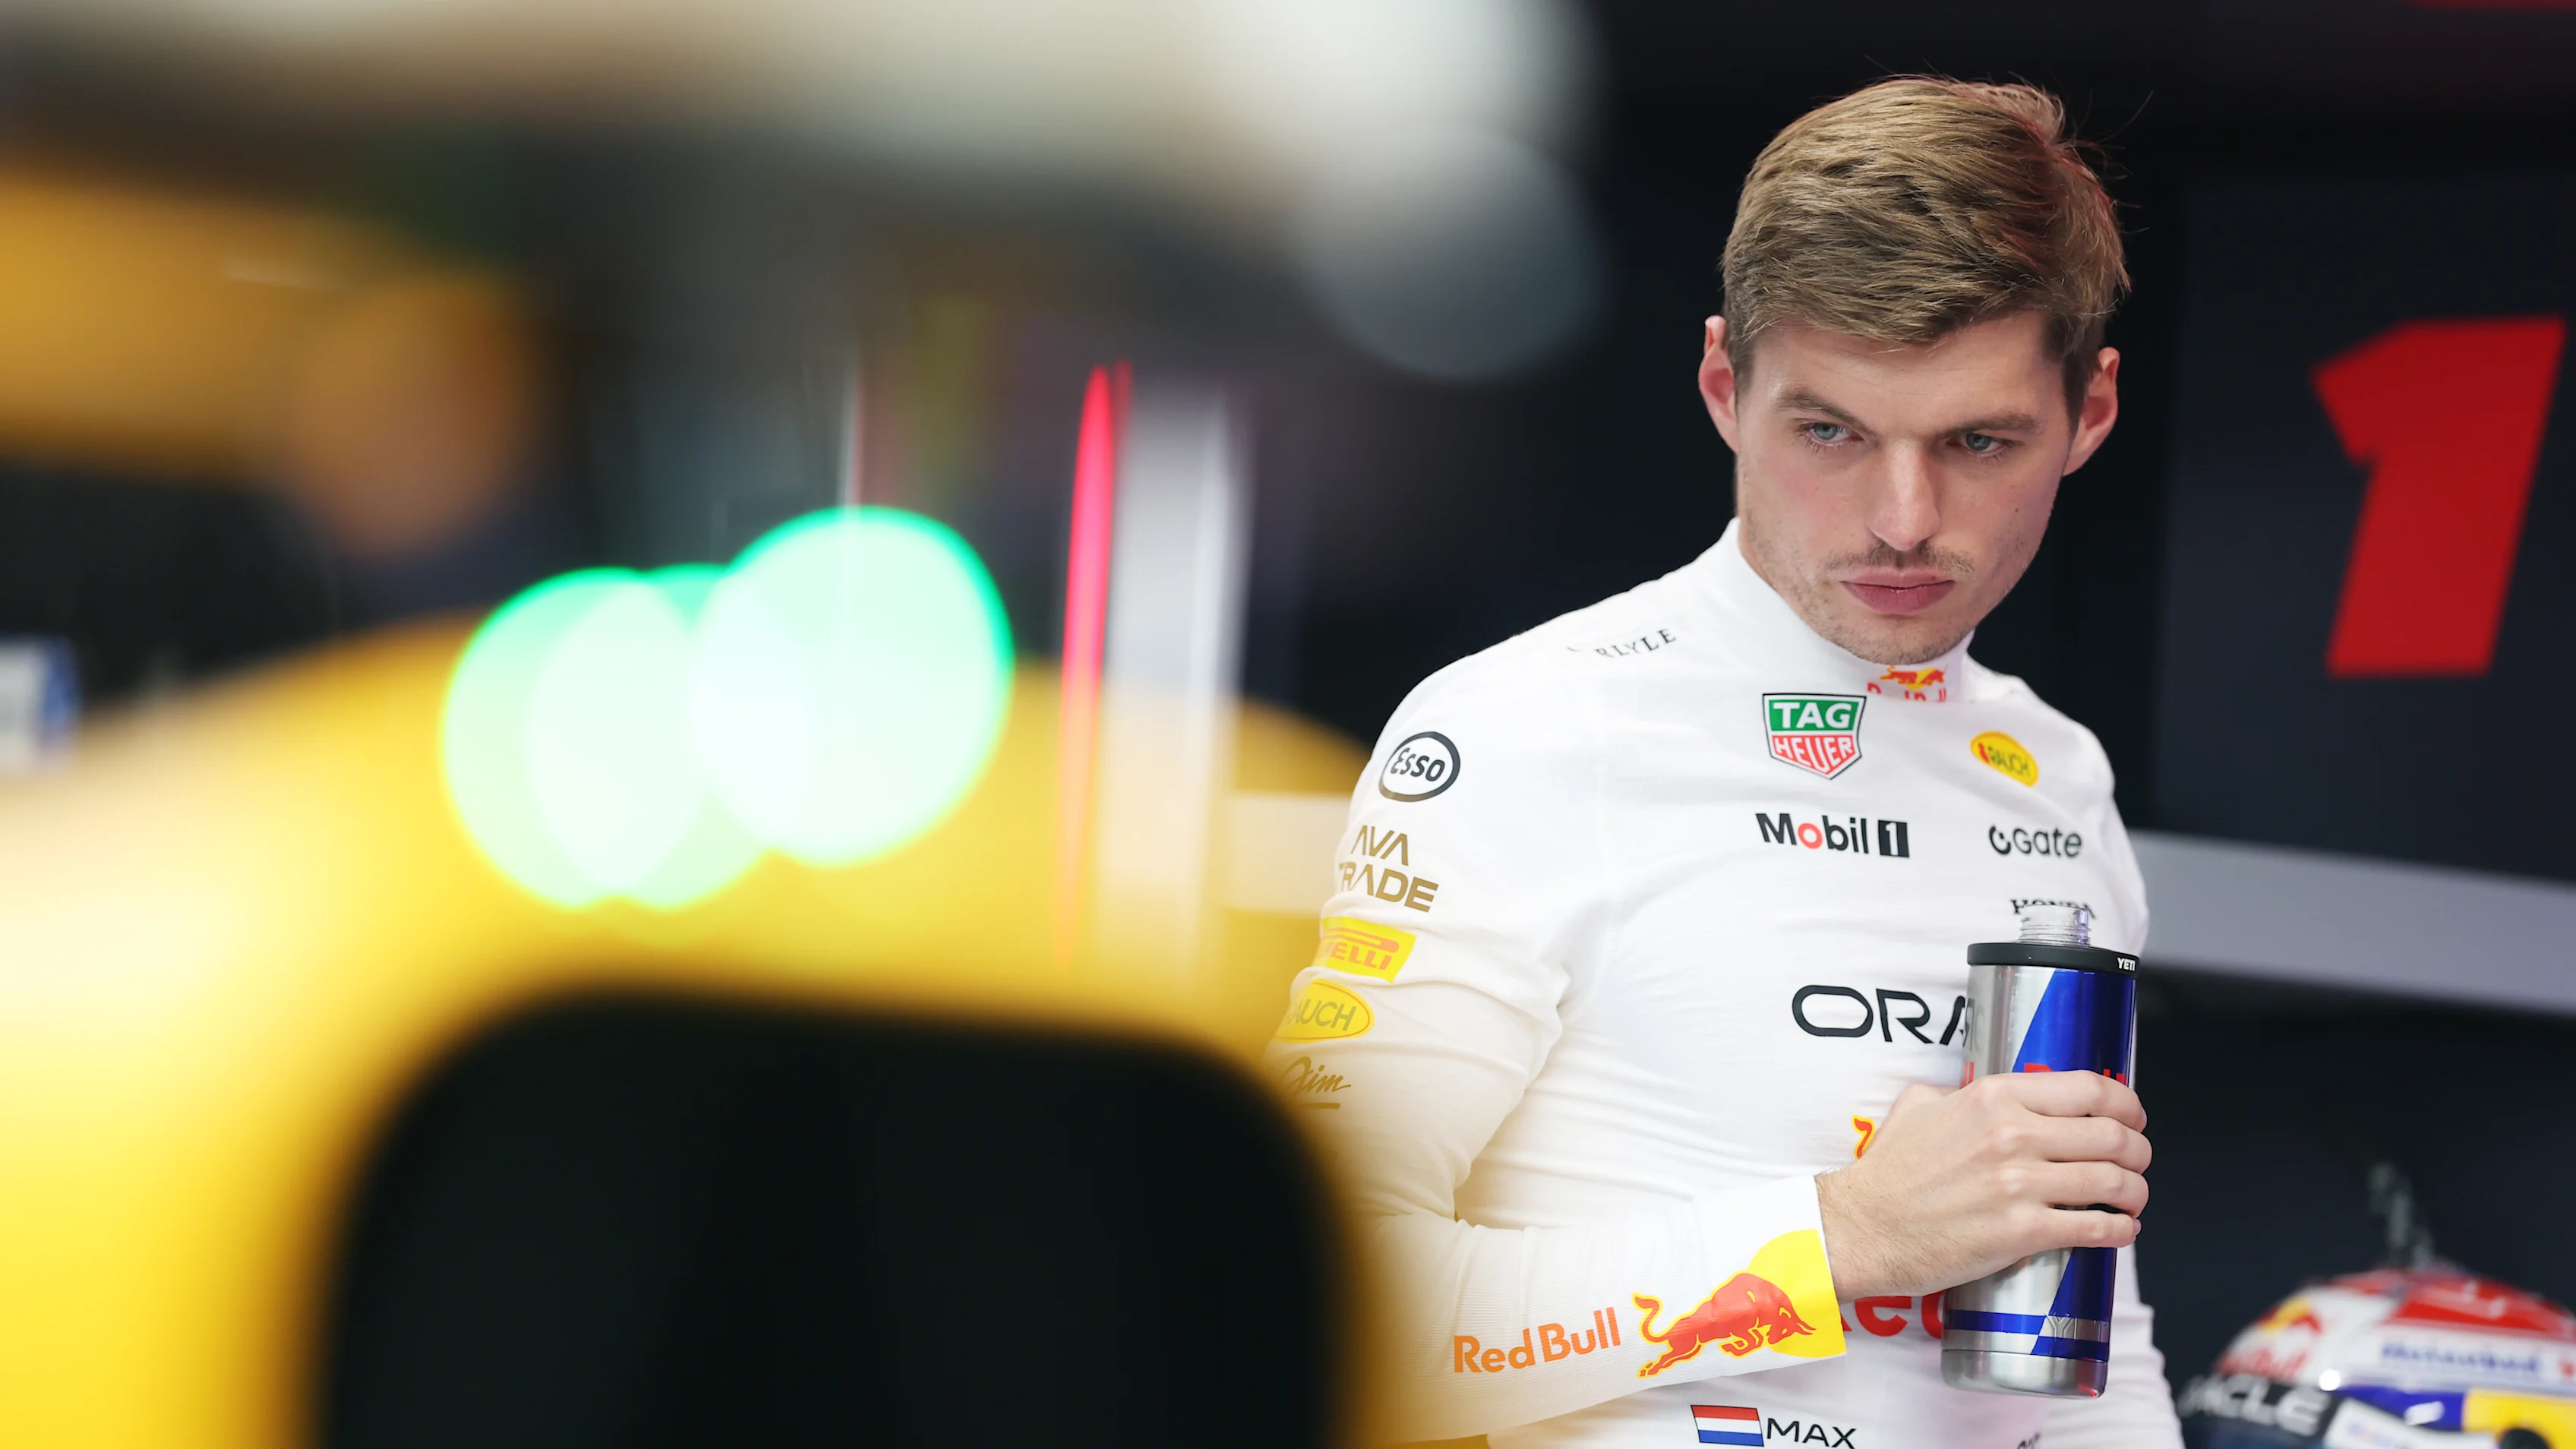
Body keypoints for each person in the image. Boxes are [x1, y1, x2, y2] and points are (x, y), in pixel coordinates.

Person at [1267, 78, 2178, 1447]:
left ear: (2091, 412)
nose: (1903, 518)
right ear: (1721, 388)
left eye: (1979, 442)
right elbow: (1308, 1301)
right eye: (1831, 433)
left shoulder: (2056, 776)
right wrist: (1841, 1239)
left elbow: (2097, 1355)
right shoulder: (1525, 729)